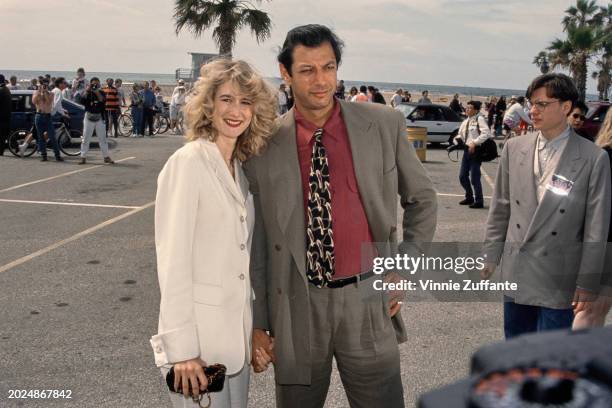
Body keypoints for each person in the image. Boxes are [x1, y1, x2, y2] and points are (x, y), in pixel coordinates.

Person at [244, 24, 437, 408]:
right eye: (307, 70)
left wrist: (402, 266)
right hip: (296, 306)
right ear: (285, 73)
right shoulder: (263, 144)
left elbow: (423, 199)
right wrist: (261, 322)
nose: (320, 81)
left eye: (328, 68)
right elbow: (260, 241)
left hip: (367, 298)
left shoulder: (383, 124)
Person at [150, 58, 277, 408]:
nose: (236, 111)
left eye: (245, 102)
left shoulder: (240, 168)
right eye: (226, 99)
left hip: (234, 345)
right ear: (209, 105)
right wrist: (183, 350)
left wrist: (253, 330)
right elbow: (172, 260)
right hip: (198, 350)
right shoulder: (189, 162)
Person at [483, 73, 611, 339]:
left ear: (565, 107)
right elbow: (501, 207)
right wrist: (490, 255)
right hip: (518, 267)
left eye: (542, 104)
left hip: (560, 273)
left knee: (550, 356)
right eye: (531, 103)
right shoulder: (514, 147)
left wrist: (587, 282)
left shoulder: (593, 157)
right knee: (516, 349)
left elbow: (596, 226)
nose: (533, 110)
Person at [573, 108, 612, 329]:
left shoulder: (599, 154)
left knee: (596, 311)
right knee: (591, 310)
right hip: (603, 244)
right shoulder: (605, 157)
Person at [455, 100, 492, 209]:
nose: (467, 109)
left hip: (476, 151)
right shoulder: (466, 121)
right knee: (462, 176)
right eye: (467, 108)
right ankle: (469, 197)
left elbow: (486, 133)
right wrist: (455, 141)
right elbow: (460, 135)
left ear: (476, 110)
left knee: (475, 178)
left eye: (470, 108)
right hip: (466, 151)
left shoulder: (479, 119)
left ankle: (479, 201)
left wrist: (474, 143)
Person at [79, 77, 113, 165]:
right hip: (89, 117)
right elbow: (81, 101)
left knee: (103, 139)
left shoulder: (101, 92)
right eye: (93, 84)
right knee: (86, 138)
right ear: (90, 84)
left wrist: (97, 92)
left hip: (99, 117)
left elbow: (102, 101)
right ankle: (83, 157)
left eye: (96, 84)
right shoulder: (87, 92)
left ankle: (106, 157)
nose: (94, 86)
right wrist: (87, 91)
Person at [32, 79, 63, 162]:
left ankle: (57, 155)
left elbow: (49, 102)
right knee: (40, 137)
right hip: (39, 116)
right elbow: (34, 102)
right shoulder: (36, 92)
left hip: (48, 116)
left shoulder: (51, 93)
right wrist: (39, 92)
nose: (44, 86)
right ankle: (44, 155)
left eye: (45, 85)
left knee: (52, 136)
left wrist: (45, 92)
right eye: (42, 85)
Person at [0, 74, 11, 156]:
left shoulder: (1, 90)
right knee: (5, 133)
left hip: (2, 116)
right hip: (6, 115)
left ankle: (1, 151)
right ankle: (16, 146)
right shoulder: (6, 89)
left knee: (2, 135)